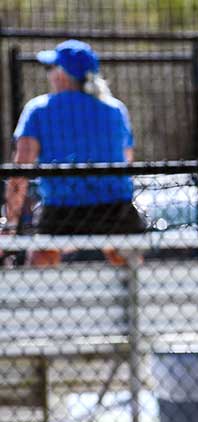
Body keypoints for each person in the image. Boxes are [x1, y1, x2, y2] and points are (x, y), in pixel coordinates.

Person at [2, 39, 144, 266]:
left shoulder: (38, 109)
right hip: (115, 209)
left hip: (62, 210)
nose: (49, 74)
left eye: (51, 68)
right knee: (129, 264)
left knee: (39, 263)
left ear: (62, 74)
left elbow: (20, 170)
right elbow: (127, 159)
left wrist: (9, 226)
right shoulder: (116, 109)